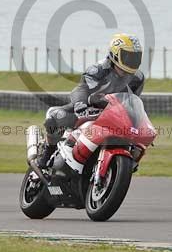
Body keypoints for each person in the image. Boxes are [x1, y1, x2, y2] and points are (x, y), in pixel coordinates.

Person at [41, 33, 145, 171]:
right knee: (54, 117)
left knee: (136, 141)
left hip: (113, 115)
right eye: (128, 56)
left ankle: (121, 165)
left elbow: (133, 101)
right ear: (115, 54)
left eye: (135, 57)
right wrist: (80, 104)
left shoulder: (137, 78)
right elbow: (81, 89)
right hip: (88, 107)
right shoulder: (98, 69)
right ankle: (47, 154)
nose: (131, 61)